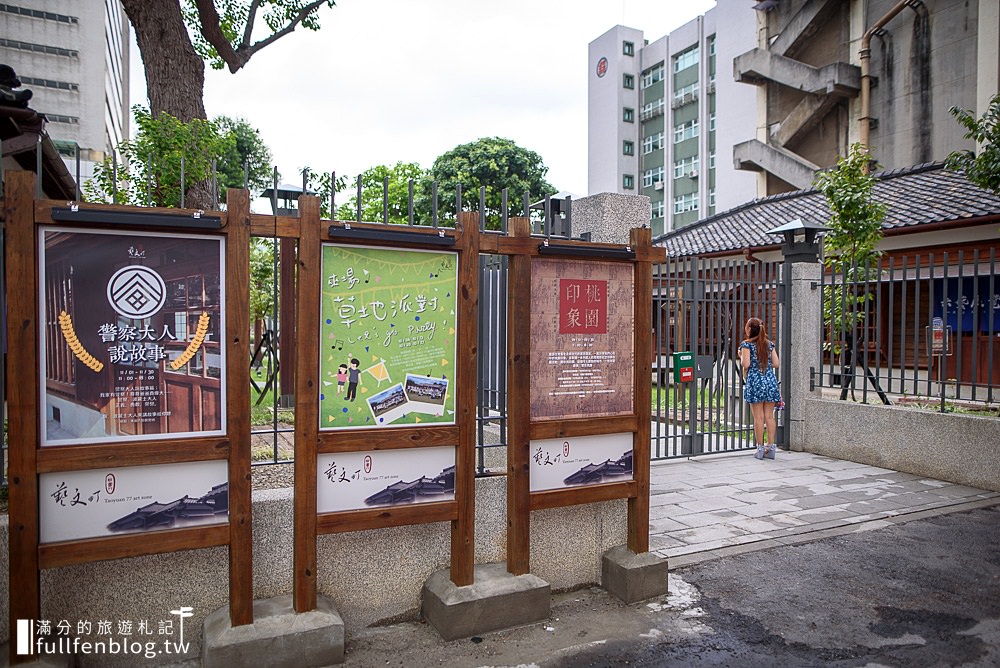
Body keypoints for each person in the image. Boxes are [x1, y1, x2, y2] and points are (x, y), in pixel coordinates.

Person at [739, 317, 781, 460]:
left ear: (750, 329)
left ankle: (760, 448)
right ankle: (771, 446)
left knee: (758, 417)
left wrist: (740, 355)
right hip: (770, 381)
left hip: (755, 382)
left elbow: (746, 364)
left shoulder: (746, 345)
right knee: (769, 416)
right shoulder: (769, 344)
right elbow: (776, 364)